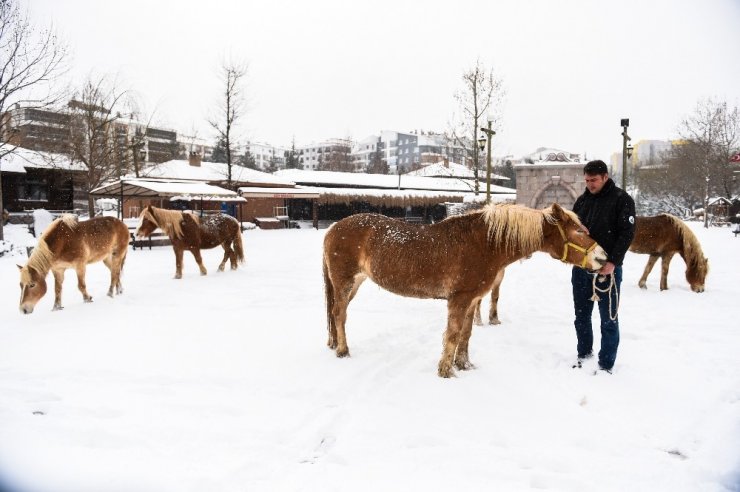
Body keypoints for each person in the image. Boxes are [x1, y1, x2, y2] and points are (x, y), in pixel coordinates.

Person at [571, 160, 635, 373]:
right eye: (587, 180)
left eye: (594, 180)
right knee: (581, 316)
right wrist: (578, 231)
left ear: (605, 177)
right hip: (581, 268)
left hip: (608, 270)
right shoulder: (581, 201)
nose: (590, 184)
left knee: (608, 319)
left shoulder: (622, 200)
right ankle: (584, 354)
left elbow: (627, 234)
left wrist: (612, 263)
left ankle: (606, 364)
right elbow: (572, 230)